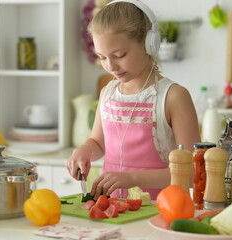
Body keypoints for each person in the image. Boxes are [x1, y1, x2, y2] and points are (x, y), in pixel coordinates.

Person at [66, 0, 201, 200]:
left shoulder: (173, 97)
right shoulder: (107, 93)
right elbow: (97, 143)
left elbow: (192, 173)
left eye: (119, 55)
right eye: (102, 57)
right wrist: (85, 150)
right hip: (112, 207)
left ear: (148, 44)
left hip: (161, 208)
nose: (111, 66)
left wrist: (132, 178)